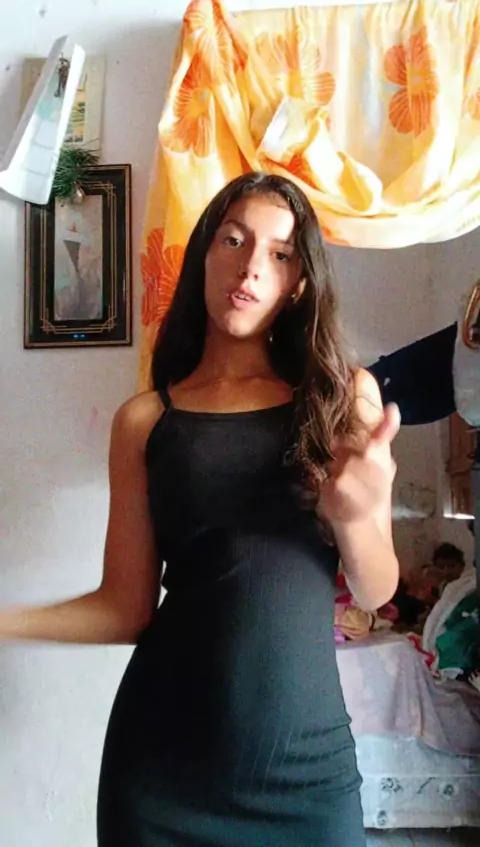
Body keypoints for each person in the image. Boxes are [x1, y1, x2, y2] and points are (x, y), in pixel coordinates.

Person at [0, 172, 401, 846]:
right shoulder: (145, 420)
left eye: (280, 253)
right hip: (163, 775)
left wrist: (355, 516)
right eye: (233, 240)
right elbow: (125, 609)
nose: (251, 267)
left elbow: (377, 588)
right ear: (203, 256)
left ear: (299, 282)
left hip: (306, 777)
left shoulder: (342, 399)